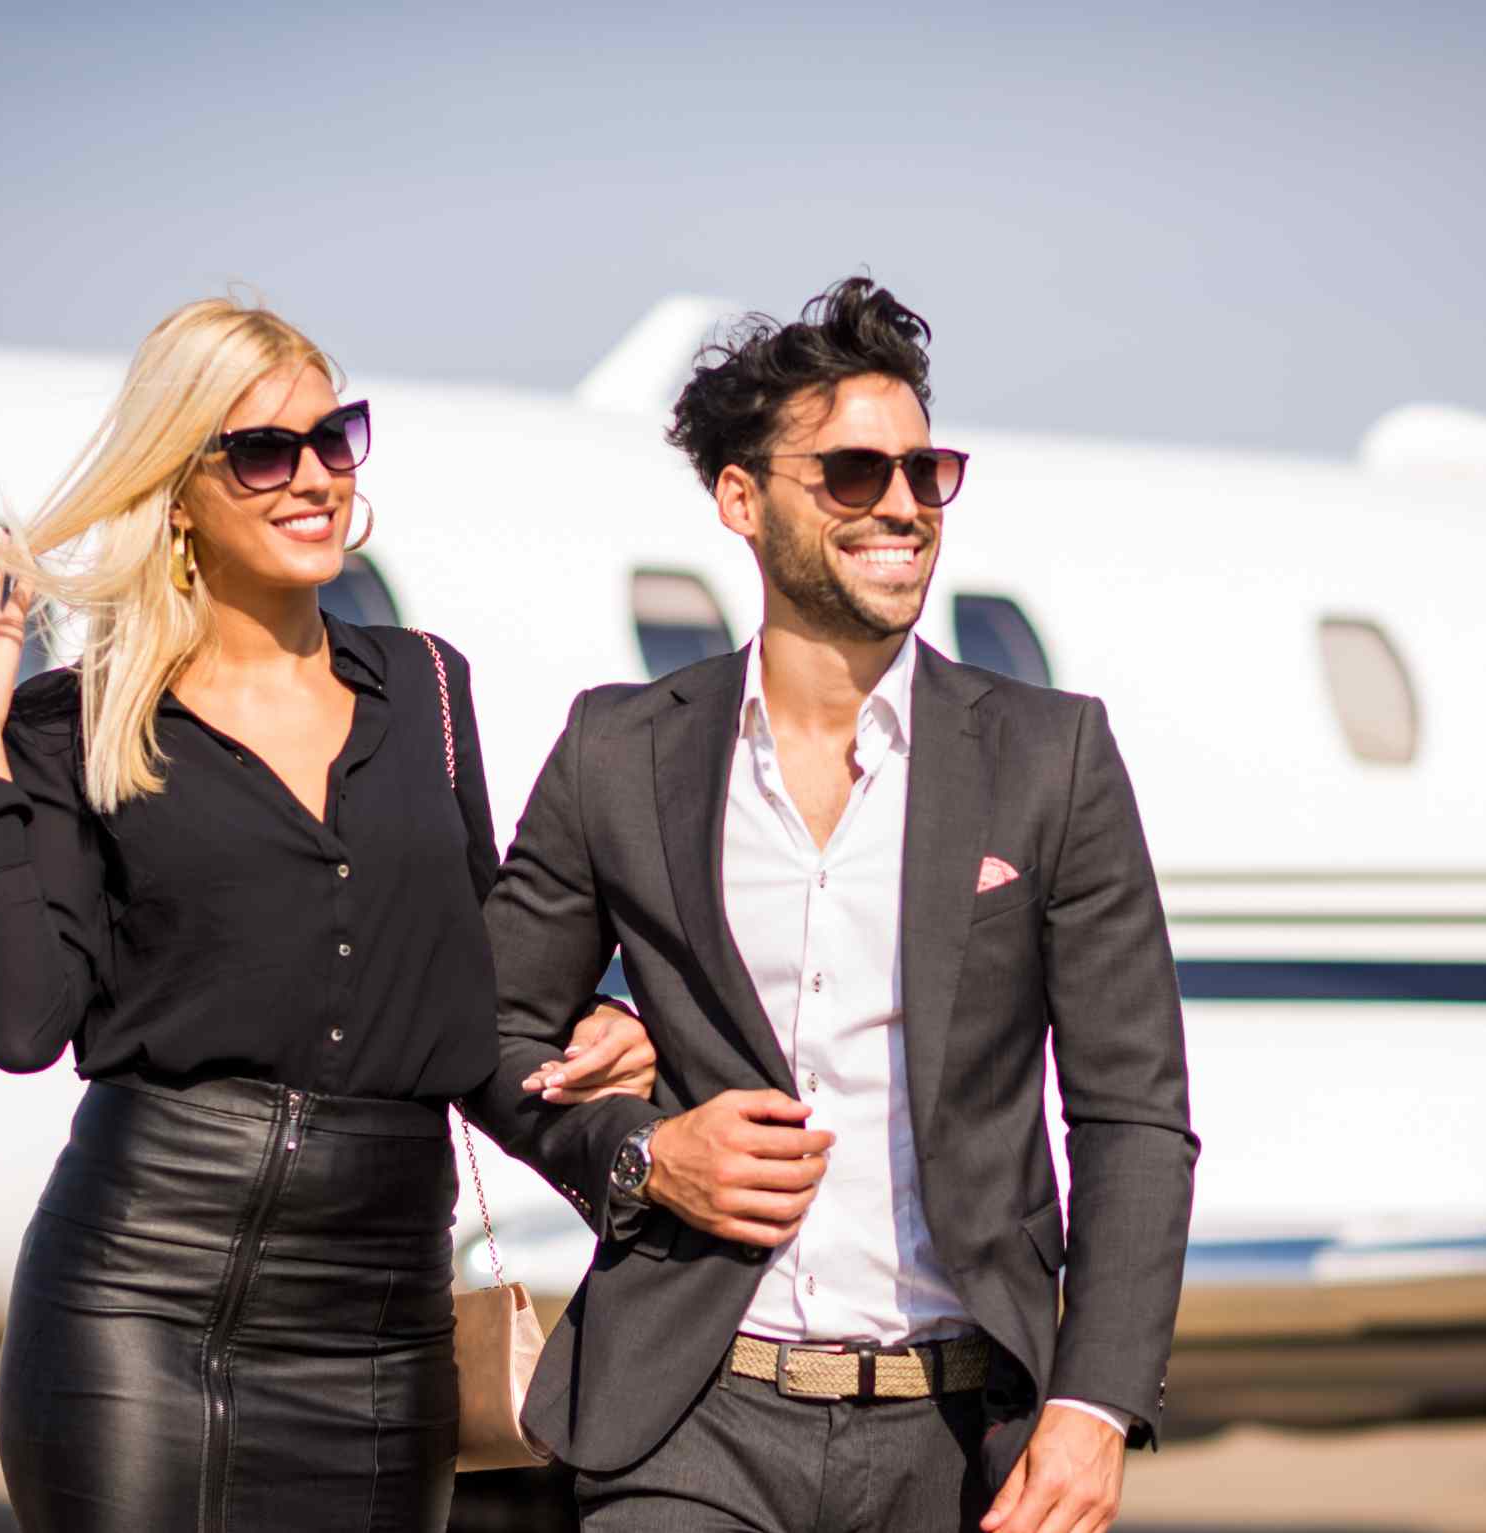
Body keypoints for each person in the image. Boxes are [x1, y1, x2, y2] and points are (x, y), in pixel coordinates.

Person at [0, 297, 657, 1533]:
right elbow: (24, 1020)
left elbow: (475, 1002)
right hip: (136, 1312)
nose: (314, 477)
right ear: (179, 489)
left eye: (335, 438)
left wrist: (611, 1057)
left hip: (382, 1332)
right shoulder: (74, 725)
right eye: (264, 450)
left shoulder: (426, 690)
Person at [467, 277, 1199, 1531]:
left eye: (927, 471)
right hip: (689, 1417)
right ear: (742, 501)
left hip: (966, 1433)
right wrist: (646, 1155)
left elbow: (1133, 1107)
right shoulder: (619, 751)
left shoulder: (1052, 756)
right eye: (855, 475)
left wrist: (1094, 1404)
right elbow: (483, 1030)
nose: (904, 506)